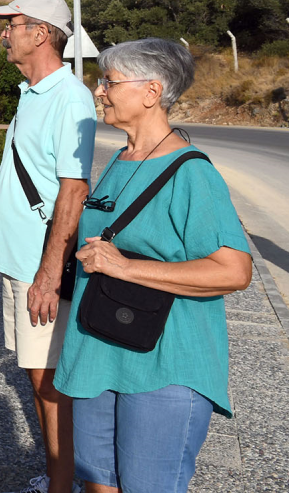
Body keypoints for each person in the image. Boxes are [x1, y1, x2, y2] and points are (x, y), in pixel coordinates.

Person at [54, 38, 252, 493]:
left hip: (165, 364)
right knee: (98, 483)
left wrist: (126, 268)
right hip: (97, 351)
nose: (99, 91)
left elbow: (233, 270)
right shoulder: (121, 160)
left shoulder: (192, 172)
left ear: (151, 91)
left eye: (109, 82)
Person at [0, 0, 96, 493]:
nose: (4, 33)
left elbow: (73, 190)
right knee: (38, 375)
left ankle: (61, 484)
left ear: (41, 33)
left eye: (13, 24)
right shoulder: (32, 93)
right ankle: (61, 475)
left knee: (50, 384)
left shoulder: (68, 97)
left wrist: (49, 276)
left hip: (38, 268)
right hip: (20, 262)